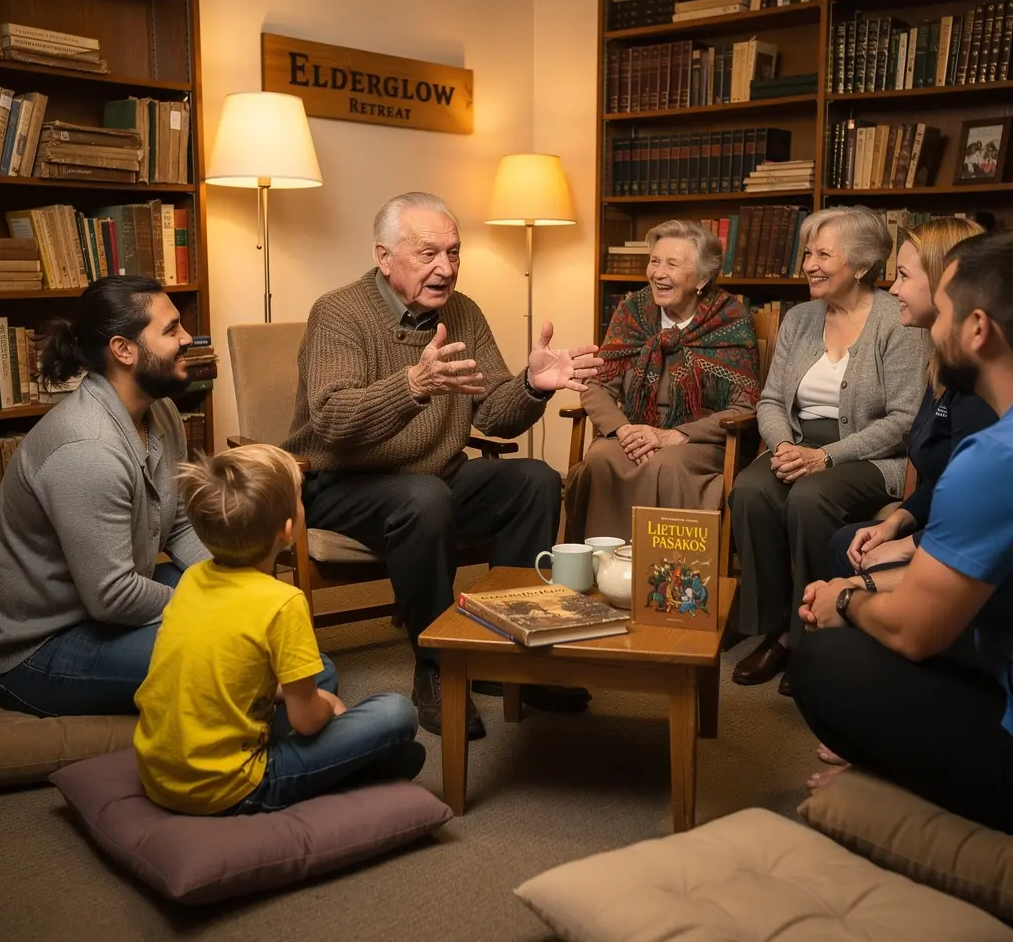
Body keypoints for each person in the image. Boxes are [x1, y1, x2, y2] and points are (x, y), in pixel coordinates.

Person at [283, 192, 603, 740]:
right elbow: (333, 420)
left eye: (454, 253)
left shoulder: (464, 312)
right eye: (428, 253)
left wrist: (530, 386)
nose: (446, 268)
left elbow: (497, 415)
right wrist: (412, 386)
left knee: (535, 480)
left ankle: (509, 658)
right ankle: (437, 665)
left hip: (435, 473)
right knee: (423, 497)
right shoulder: (338, 312)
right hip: (341, 481)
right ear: (384, 258)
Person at [791, 231, 1013, 833]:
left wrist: (845, 598)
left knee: (825, 657)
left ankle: (897, 779)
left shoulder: (993, 458)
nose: (923, 321)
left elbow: (914, 632)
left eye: (940, 310)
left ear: (976, 330)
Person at [134, 444, 423, 816]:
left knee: (317, 678)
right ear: (288, 530)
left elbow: (228, 668)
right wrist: (325, 705)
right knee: (396, 713)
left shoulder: (191, 578)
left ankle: (360, 765)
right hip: (232, 786)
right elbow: (306, 723)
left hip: (158, 774)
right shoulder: (283, 603)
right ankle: (343, 774)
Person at [728, 206, 927, 692]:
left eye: (822, 254)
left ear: (860, 266)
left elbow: (903, 420)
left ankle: (810, 635)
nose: (809, 264)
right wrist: (781, 447)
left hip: (872, 456)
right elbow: (771, 399)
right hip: (796, 445)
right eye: (807, 253)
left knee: (810, 497)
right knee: (751, 490)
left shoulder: (896, 321)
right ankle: (774, 629)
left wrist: (825, 457)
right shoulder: (799, 318)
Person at [0, 276, 208, 717]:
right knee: (240, 659)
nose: (187, 339)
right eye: (170, 330)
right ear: (123, 350)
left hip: (111, 602)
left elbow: (180, 521)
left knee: (266, 636)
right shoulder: (87, 449)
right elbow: (112, 596)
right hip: (41, 646)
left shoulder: (158, 408)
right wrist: (213, 603)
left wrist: (230, 581)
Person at [564, 219, 760, 544]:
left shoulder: (730, 319)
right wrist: (621, 429)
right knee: (600, 458)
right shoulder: (633, 312)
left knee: (665, 464)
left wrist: (673, 435)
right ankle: (602, 572)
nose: (658, 273)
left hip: (698, 442)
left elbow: (745, 405)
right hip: (634, 433)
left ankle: (665, 579)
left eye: (672, 264)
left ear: (703, 278)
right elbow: (597, 383)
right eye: (655, 261)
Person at [827, 217, 995, 580]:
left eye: (903, 275)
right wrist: (897, 521)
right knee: (845, 542)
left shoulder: (981, 385)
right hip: (939, 526)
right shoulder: (940, 365)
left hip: (964, 549)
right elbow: (943, 482)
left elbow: (978, 508)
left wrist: (907, 544)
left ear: (941, 282)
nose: (892, 289)